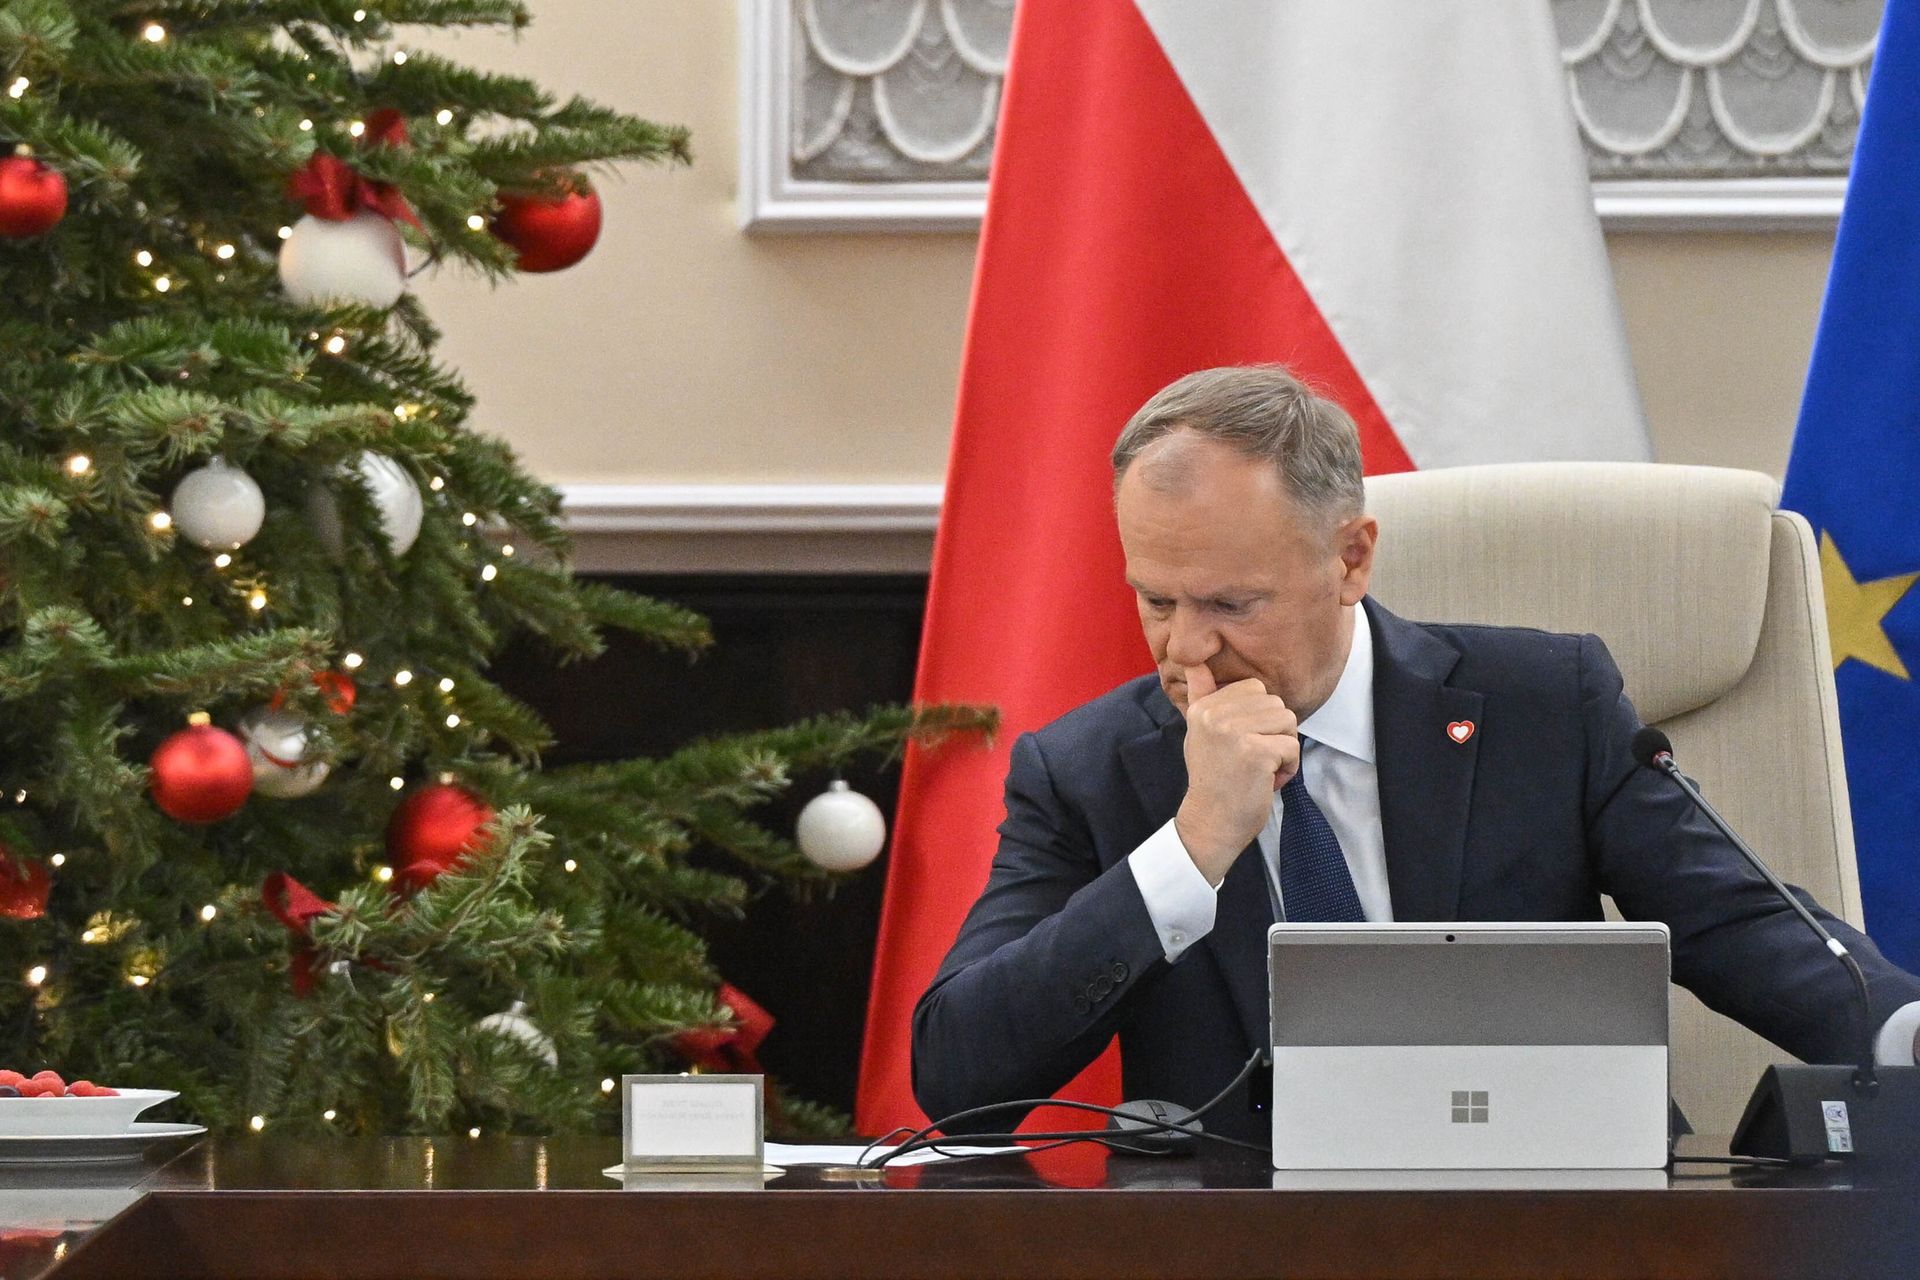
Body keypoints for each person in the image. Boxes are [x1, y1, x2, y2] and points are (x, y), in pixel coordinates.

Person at [911, 364, 1920, 1143]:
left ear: (1352, 557)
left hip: (1557, 1219)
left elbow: (1741, 922)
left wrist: (1904, 1034)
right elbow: (958, 1074)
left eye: (1231, 603)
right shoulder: (1087, 769)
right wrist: (1191, 846)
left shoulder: (1544, 705)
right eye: (1156, 600)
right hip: (1247, 1245)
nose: (1186, 648)